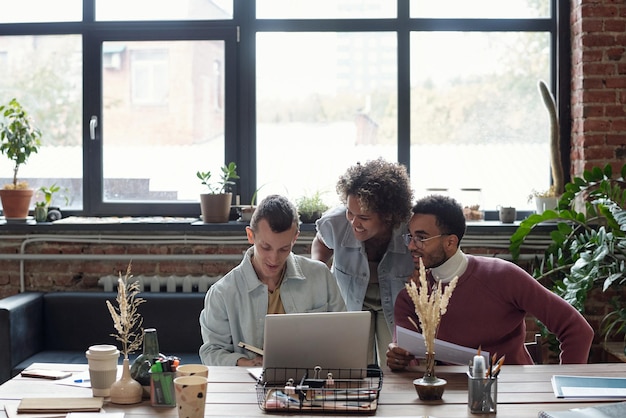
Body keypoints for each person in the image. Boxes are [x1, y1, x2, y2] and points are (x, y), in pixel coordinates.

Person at [386, 194, 594, 370]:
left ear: (450, 242)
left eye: (421, 238)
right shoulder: (411, 297)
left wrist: (565, 388)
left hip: (515, 396)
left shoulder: (503, 276)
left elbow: (577, 330)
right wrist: (399, 358)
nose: (411, 246)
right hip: (448, 400)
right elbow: (408, 359)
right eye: (410, 237)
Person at [199, 194, 346, 367]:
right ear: (250, 236)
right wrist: (245, 363)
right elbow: (211, 351)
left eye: (284, 249)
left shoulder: (321, 276)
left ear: (295, 238)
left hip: (312, 381)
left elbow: (343, 336)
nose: (274, 259)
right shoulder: (223, 293)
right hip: (249, 386)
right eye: (265, 247)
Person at [311, 158, 414, 365]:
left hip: (395, 299)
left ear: (387, 216)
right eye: (350, 212)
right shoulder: (336, 222)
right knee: (354, 364)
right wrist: (319, 269)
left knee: (395, 364)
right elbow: (321, 243)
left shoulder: (410, 228)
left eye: (364, 217)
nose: (354, 222)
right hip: (351, 296)